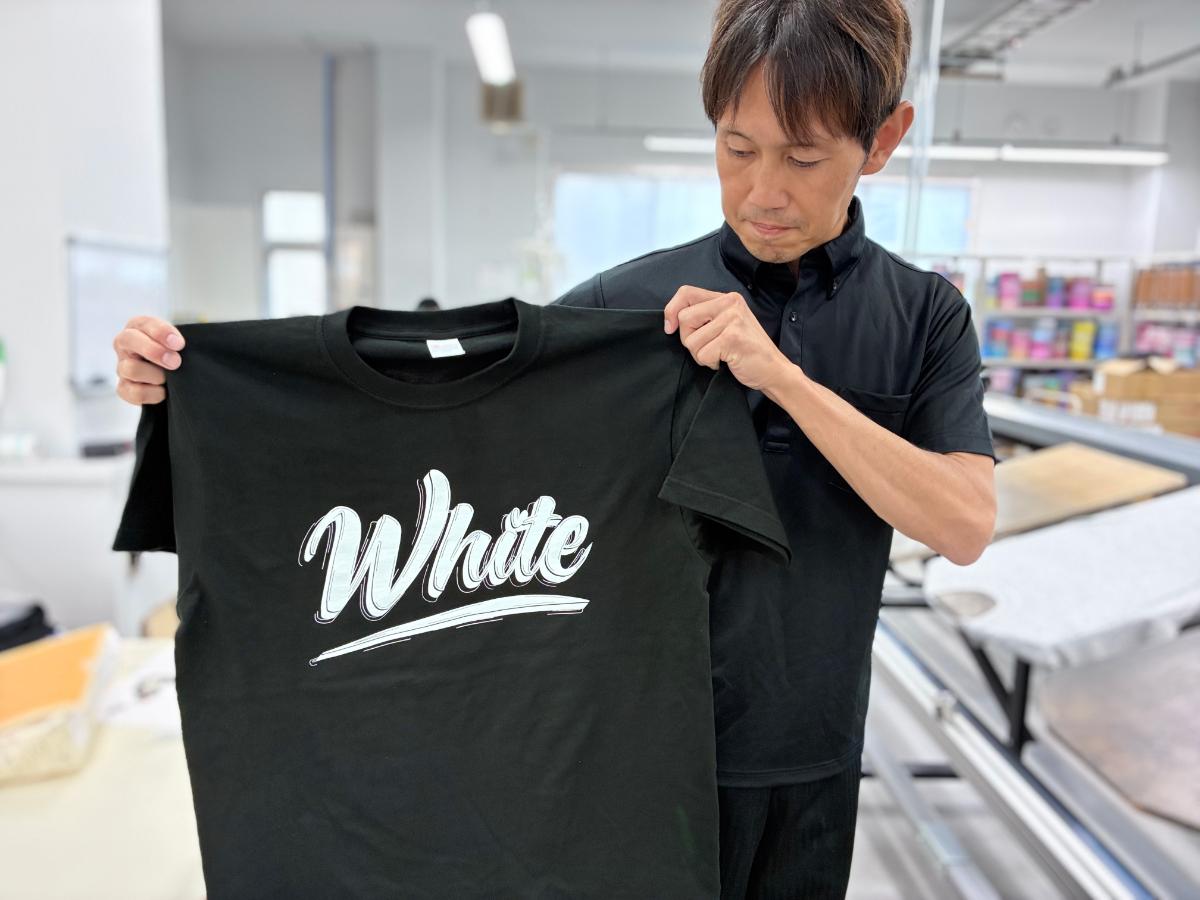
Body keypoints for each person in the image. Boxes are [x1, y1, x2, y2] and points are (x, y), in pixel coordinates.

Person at [112, 1, 996, 896]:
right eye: (736, 149)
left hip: (809, 758)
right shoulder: (627, 310)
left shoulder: (925, 318)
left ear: (883, 141)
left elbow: (963, 523)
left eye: (803, 158)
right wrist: (204, 389)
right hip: (627, 767)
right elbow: (449, 418)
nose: (763, 191)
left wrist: (784, 380)